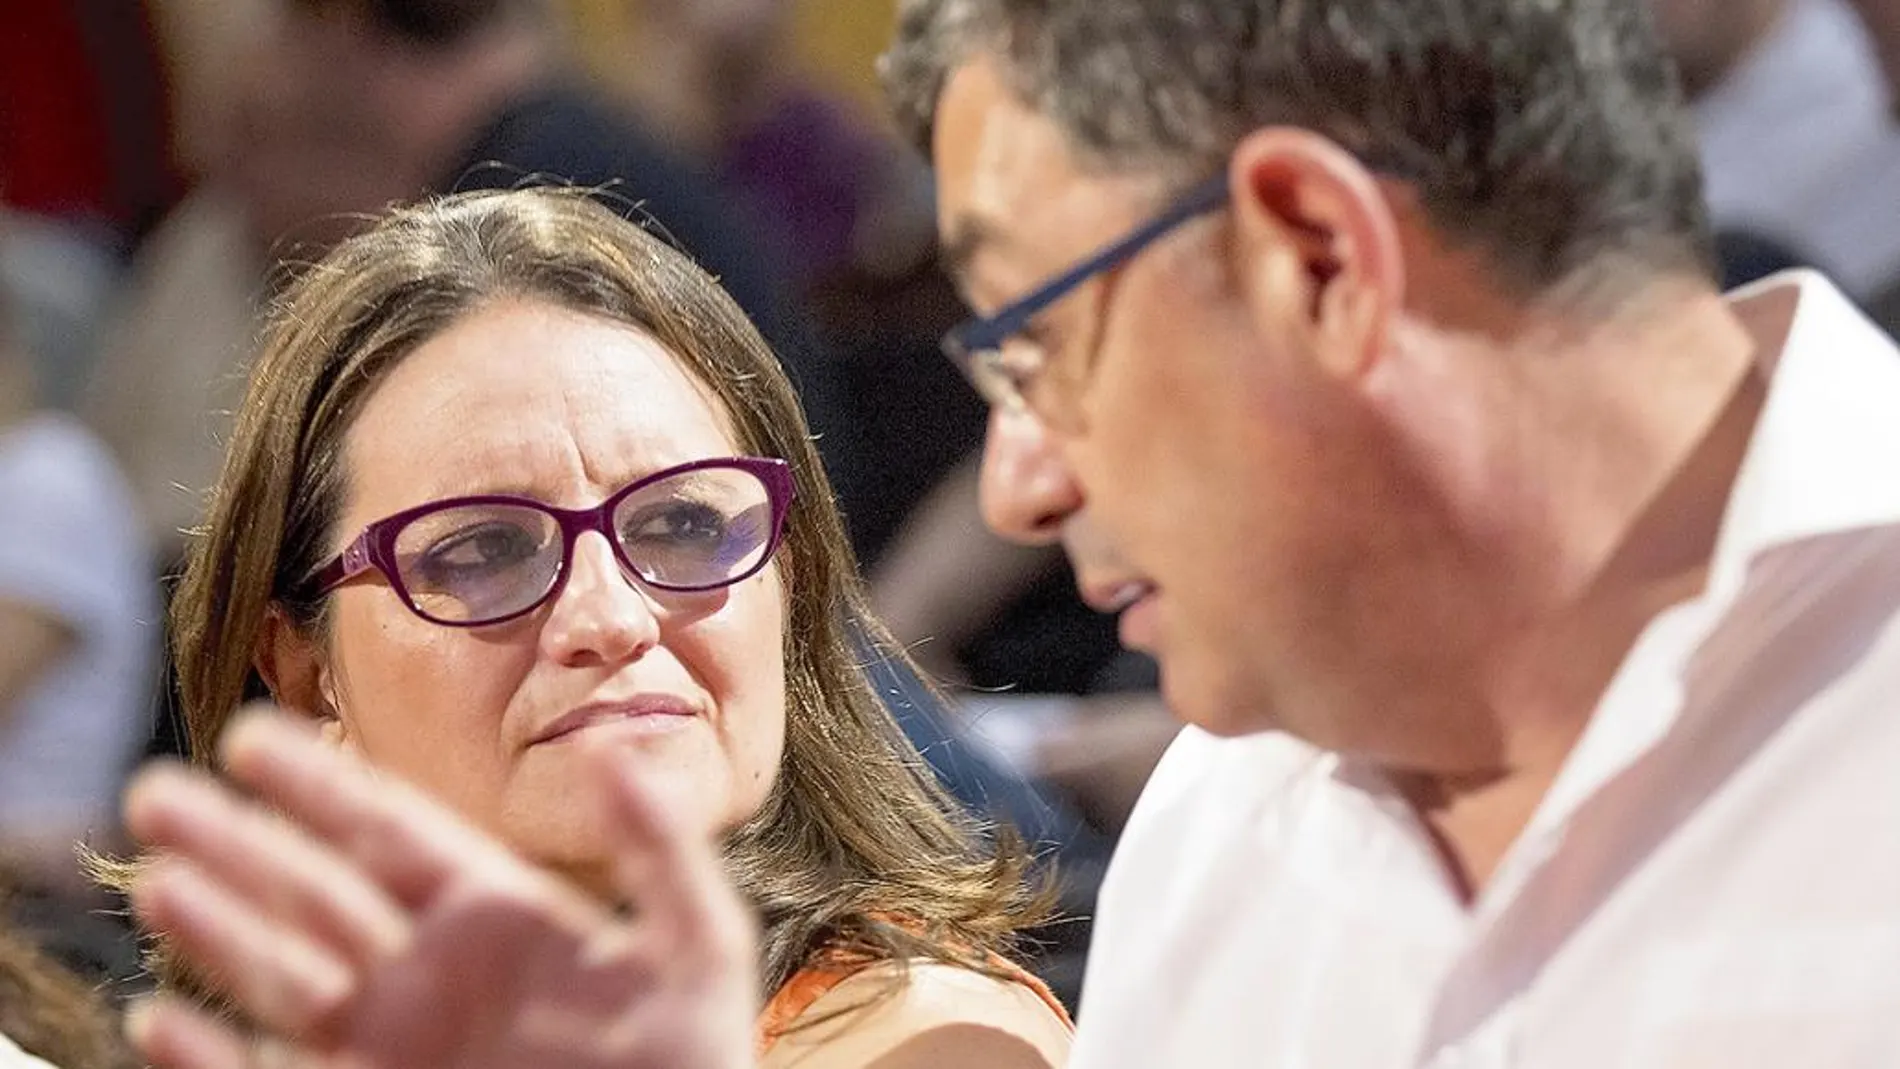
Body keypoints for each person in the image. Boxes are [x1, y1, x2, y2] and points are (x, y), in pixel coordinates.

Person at [118, 1, 1900, 1067]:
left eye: (1034, 343)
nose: (1024, 488)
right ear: (294, 654)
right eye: (483, 548)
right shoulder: (1235, 817)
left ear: (1318, 257)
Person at [115, 187, 1071, 1068]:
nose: (610, 616)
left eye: (685, 524)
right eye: (483, 551)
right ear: (302, 671)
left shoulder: (937, 1040)